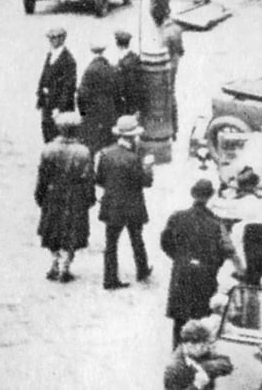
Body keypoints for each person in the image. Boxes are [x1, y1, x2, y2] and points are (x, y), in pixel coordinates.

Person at [161, 179, 245, 349]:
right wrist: (240, 269)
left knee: (180, 318)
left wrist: (179, 258)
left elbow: (165, 241)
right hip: (205, 275)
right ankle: (198, 356)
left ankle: (177, 354)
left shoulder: (177, 217)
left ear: (192, 193)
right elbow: (228, 249)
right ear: (211, 196)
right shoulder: (216, 223)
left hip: (182, 272)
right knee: (202, 319)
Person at [34, 112, 95, 283]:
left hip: (53, 196)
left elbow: (42, 177)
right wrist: (89, 199)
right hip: (75, 197)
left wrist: (40, 197)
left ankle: (54, 263)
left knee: (53, 231)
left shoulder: (48, 149)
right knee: (72, 233)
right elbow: (88, 178)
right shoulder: (83, 152)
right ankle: (66, 266)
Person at [96, 115, 154, 290]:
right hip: (133, 205)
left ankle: (110, 278)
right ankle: (142, 269)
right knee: (137, 239)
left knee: (111, 243)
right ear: (133, 136)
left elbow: (99, 179)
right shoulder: (134, 158)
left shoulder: (105, 154)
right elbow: (146, 182)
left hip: (112, 205)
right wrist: (148, 168)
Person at [163, 320, 234, 390]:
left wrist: (203, 367)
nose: (206, 348)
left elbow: (226, 363)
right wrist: (197, 385)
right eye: (203, 346)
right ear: (190, 344)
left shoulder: (201, 353)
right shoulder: (173, 368)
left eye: (207, 345)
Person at [77, 40, 119, 156]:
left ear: (91, 52)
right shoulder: (110, 67)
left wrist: (83, 113)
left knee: (91, 146)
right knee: (107, 145)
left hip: (93, 115)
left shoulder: (90, 70)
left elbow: (82, 95)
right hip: (109, 113)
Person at [37, 28, 77, 143]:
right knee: (46, 133)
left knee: (58, 136)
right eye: (50, 38)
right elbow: (44, 75)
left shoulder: (68, 60)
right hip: (47, 104)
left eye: (54, 38)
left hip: (59, 107)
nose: (51, 41)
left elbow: (69, 87)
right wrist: (40, 93)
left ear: (62, 39)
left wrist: (60, 108)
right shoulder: (51, 55)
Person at [161, 16, 185, 139]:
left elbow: (163, 53)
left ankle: (170, 128)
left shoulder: (165, 34)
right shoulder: (178, 29)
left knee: (166, 95)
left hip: (168, 65)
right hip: (176, 61)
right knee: (171, 93)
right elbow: (181, 50)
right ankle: (175, 129)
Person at [113, 30, 143, 118]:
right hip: (135, 102)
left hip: (128, 103)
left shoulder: (124, 64)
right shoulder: (134, 57)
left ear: (118, 46)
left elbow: (128, 86)